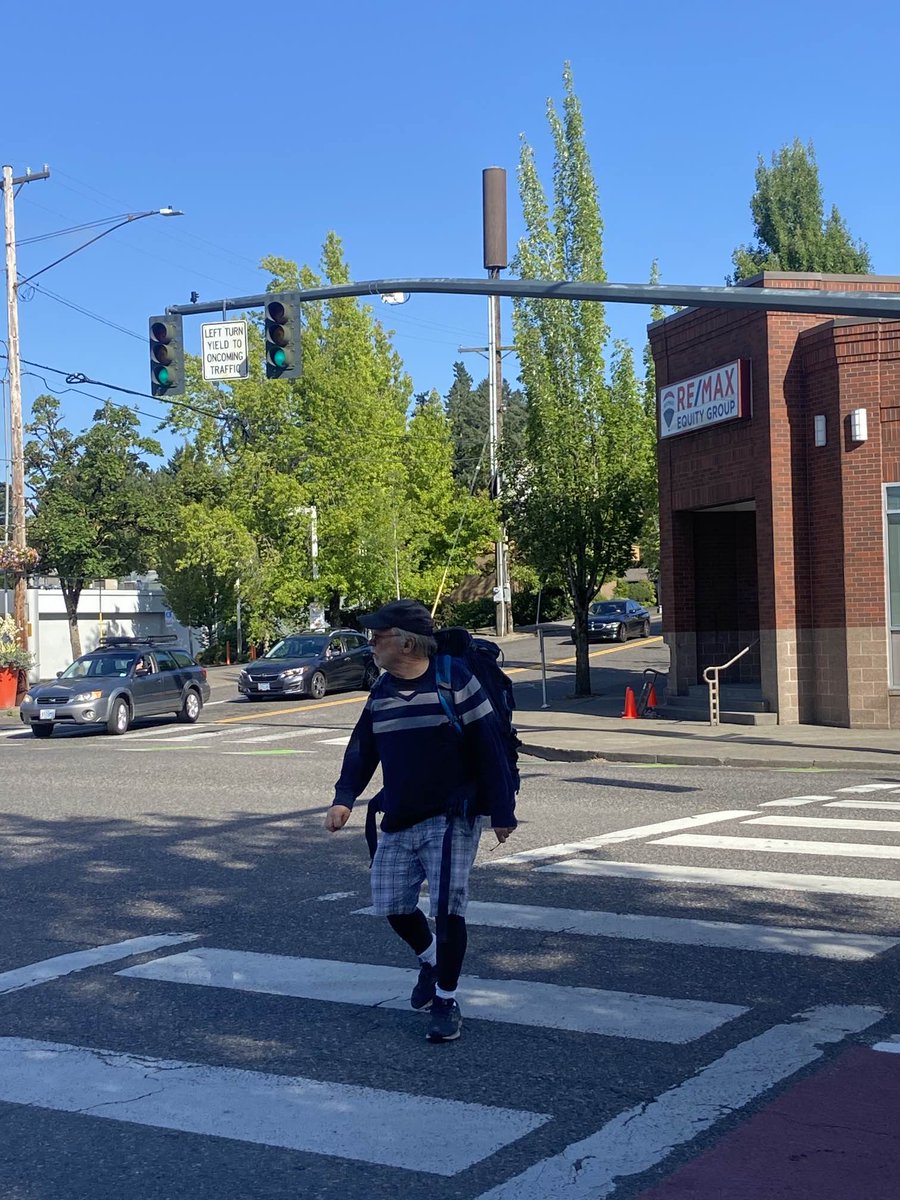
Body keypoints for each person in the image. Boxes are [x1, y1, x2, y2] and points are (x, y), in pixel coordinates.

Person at [324, 598, 516, 1042]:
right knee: (389, 903)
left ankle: (446, 999)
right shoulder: (382, 691)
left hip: (452, 817)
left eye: (379, 635)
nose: (370, 643)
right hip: (400, 812)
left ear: (407, 643)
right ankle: (430, 959)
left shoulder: (455, 682)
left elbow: (490, 750)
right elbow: (362, 748)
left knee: (447, 909)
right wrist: (344, 798)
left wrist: (503, 811)